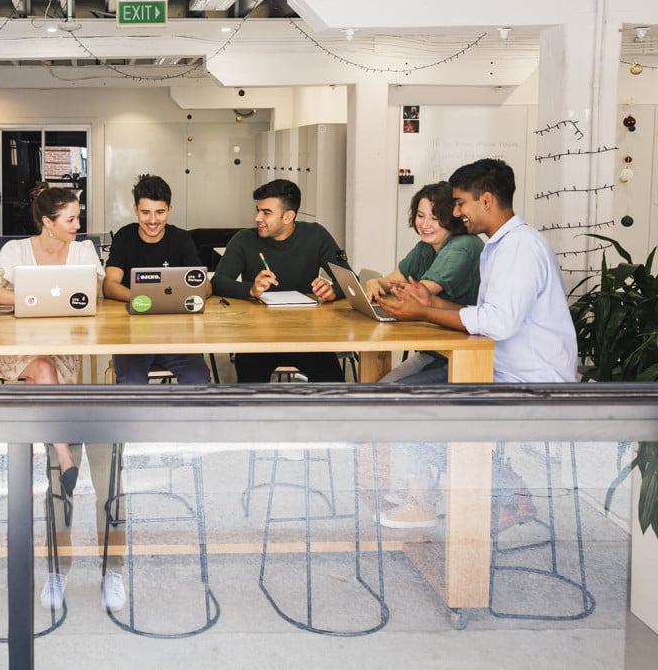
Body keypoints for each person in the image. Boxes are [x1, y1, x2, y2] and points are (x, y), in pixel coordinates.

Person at [378, 159, 578, 528]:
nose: (456, 213)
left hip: (527, 382)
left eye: (459, 204)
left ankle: (485, 493)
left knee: (403, 402)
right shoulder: (499, 246)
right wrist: (430, 301)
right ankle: (497, 489)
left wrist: (423, 314)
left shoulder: (520, 247)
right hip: (498, 369)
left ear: (485, 200)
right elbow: (484, 312)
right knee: (398, 393)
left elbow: (497, 323)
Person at [0, 182, 125, 613]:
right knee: (42, 369)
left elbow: (95, 298)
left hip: (65, 343)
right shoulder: (15, 252)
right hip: (20, 349)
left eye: (78, 217)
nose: (78, 224)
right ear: (48, 223)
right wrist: (35, 301)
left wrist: (39, 302)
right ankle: (65, 455)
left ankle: (59, 452)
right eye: (70, 219)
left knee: (51, 369)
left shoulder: (84, 251)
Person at [365, 181, 483, 529]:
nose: (426, 224)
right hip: (438, 349)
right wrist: (374, 285)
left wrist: (395, 292)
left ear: (454, 218)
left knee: (397, 400)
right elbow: (386, 282)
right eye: (420, 215)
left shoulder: (462, 247)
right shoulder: (424, 247)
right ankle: (409, 484)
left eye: (436, 217)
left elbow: (419, 299)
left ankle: (423, 501)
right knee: (379, 392)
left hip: (467, 355)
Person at [211, 178, 351, 382]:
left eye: (266, 213)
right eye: (258, 210)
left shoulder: (318, 235)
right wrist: (251, 289)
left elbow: (349, 277)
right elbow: (218, 281)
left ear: (288, 216)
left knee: (334, 383)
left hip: (308, 337)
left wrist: (333, 290)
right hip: (258, 339)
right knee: (250, 389)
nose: (257, 217)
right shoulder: (243, 239)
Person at [103, 173, 211, 384]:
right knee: (132, 383)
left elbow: (205, 285)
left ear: (170, 209)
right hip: (131, 337)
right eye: (145, 212)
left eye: (160, 212)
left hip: (177, 337)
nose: (152, 220)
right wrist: (146, 300)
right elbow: (110, 285)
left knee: (198, 379)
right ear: (135, 209)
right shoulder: (125, 237)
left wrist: (184, 299)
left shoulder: (181, 239)